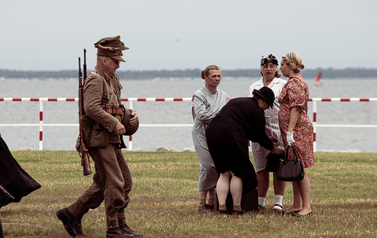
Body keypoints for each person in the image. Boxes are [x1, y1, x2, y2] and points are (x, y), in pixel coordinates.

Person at [56, 36, 143, 238]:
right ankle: (114, 227)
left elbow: (112, 104)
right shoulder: (95, 79)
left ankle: (72, 213)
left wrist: (128, 113)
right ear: (104, 60)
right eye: (115, 61)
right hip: (98, 138)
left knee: (122, 181)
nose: (118, 66)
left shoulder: (112, 79)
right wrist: (114, 123)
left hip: (110, 137)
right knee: (115, 182)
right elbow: (91, 108)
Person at [206, 87, 284, 215]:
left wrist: (266, 139)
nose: (266, 109)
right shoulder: (258, 111)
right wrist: (273, 148)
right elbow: (259, 135)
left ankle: (222, 208)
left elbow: (251, 132)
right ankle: (237, 208)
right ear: (263, 101)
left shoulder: (239, 101)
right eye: (267, 106)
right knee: (238, 172)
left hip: (212, 131)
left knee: (223, 172)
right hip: (230, 133)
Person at [248, 54, 287, 212]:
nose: (268, 69)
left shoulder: (283, 84)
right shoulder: (253, 86)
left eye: (272, 66)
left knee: (278, 166)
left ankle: (278, 201)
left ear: (276, 67)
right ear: (261, 68)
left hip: (278, 127)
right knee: (261, 168)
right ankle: (260, 201)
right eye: (265, 66)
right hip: (259, 128)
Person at [278, 52, 314, 217]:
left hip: (297, 130)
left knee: (298, 167)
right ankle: (297, 204)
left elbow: (296, 108)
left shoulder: (296, 83)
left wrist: (290, 131)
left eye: (282, 64)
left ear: (290, 65)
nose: (280, 68)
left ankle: (306, 207)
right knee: (293, 166)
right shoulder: (291, 82)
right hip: (292, 130)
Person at [192, 65, 230, 212]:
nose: (217, 78)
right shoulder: (199, 95)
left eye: (219, 76)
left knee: (217, 165)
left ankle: (212, 201)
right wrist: (220, 117)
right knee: (207, 165)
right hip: (202, 132)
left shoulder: (224, 96)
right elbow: (201, 115)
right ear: (205, 77)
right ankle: (202, 203)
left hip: (218, 134)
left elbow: (229, 114)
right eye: (214, 76)